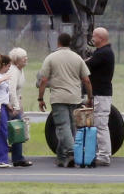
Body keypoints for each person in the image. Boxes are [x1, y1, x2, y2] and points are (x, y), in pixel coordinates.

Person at [37, 32, 93, 167]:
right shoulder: (78, 58)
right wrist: (90, 97)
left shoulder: (51, 58)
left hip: (58, 97)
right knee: (71, 128)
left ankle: (72, 151)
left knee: (63, 127)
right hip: (75, 97)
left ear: (58, 43)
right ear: (70, 43)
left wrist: (40, 98)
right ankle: (61, 158)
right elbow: (86, 80)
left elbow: (43, 80)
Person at [85, 26, 115, 167]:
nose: (92, 39)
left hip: (102, 94)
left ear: (101, 38)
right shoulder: (102, 52)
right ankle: (102, 153)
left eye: (94, 36)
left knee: (101, 125)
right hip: (100, 93)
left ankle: (104, 156)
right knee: (100, 124)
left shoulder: (103, 53)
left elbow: (86, 65)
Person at [7, 47, 32, 167]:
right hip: (10, 106)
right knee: (16, 130)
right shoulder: (13, 71)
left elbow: (18, 90)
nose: (26, 59)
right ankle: (17, 158)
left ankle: (17, 157)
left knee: (17, 130)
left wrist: (20, 103)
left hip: (15, 103)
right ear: (17, 60)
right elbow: (11, 91)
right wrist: (16, 107)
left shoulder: (20, 70)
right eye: (24, 57)